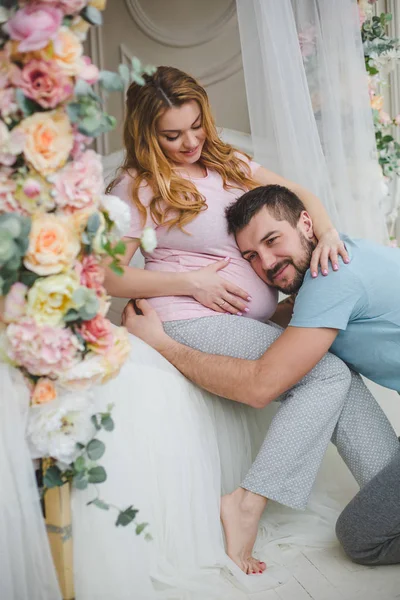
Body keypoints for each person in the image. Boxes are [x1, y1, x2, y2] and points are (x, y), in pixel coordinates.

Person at [123, 183, 400, 568]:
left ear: (306, 223)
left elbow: (260, 387)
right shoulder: (342, 260)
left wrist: (162, 343)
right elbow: (292, 318)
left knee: (360, 536)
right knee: (335, 377)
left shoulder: (332, 279)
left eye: (273, 240)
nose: (267, 263)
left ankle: (246, 502)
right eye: (251, 255)